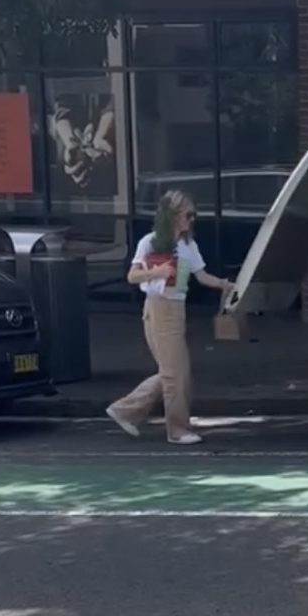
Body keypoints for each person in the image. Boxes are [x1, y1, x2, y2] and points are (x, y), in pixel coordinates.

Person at [107, 190, 232, 445]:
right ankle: (176, 429)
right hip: (159, 307)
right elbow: (132, 276)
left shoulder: (188, 246)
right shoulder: (150, 242)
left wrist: (224, 284)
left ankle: (126, 410)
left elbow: (201, 275)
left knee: (174, 372)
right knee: (176, 374)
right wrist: (157, 272)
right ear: (172, 216)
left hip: (177, 309)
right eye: (187, 214)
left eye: (192, 214)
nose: (191, 218)